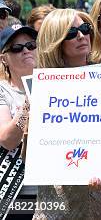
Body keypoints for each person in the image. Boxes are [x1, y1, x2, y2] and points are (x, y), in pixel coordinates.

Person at [34, 8, 101, 219]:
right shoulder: (42, 87)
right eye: (71, 33)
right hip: (57, 203)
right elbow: (31, 151)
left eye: (85, 29)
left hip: (98, 194)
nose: (82, 36)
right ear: (55, 40)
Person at [0, 24, 37, 220]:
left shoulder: (58, 84)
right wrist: (29, 101)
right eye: (16, 47)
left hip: (52, 192)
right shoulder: (2, 90)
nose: (26, 50)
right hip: (15, 195)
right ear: (3, 58)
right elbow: (7, 139)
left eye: (31, 45)